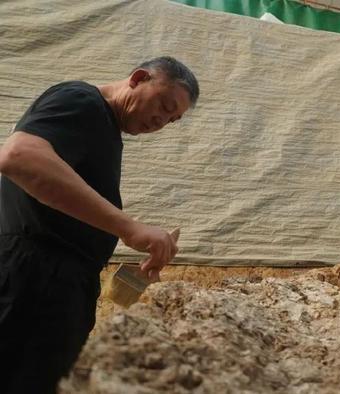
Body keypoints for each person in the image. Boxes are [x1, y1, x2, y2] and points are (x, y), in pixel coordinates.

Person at [0, 56, 199, 393]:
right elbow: (18, 156)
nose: (162, 121)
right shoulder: (83, 101)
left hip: (54, 286)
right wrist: (129, 228)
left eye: (173, 119)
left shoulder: (104, 128)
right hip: (32, 281)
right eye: (164, 105)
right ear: (138, 78)